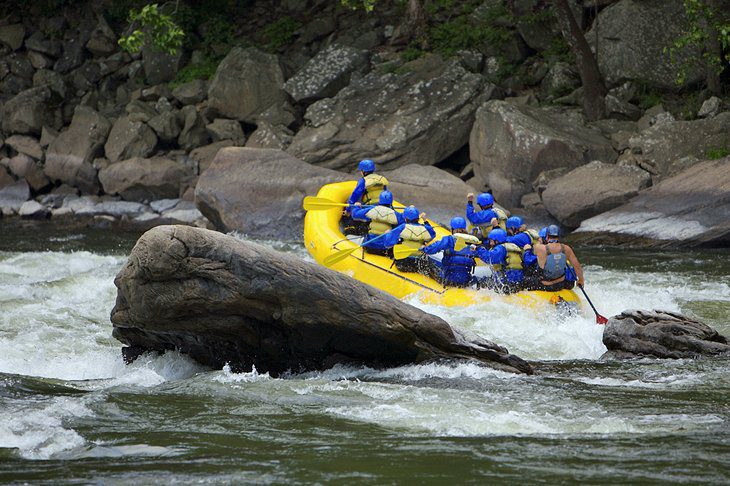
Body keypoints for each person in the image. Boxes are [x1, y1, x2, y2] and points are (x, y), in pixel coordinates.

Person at [420, 217, 479, 287]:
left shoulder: (449, 240)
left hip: (449, 280)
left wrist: (424, 249)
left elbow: (434, 248)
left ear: (453, 229)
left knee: (431, 263)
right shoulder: (472, 242)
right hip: (465, 280)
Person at [526, 224, 585, 291]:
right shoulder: (566, 249)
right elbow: (577, 266)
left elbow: (529, 258)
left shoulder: (539, 248)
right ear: (558, 236)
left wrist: (527, 249)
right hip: (560, 284)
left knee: (525, 279)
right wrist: (581, 280)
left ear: (547, 236)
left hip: (544, 285)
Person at [379, 206, 436, 272]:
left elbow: (387, 244)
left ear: (405, 219)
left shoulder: (402, 227)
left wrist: (387, 234)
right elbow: (433, 234)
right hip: (418, 264)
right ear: (418, 218)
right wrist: (425, 221)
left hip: (402, 263)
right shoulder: (425, 229)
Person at [349, 190, 404, 255]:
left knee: (350, 235)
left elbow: (355, 214)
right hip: (384, 249)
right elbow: (405, 225)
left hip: (369, 245)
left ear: (380, 199)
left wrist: (357, 206)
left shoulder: (372, 209)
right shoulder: (397, 216)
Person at [476, 228, 525, 293]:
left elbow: (489, 258)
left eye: (491, 241)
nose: (490, 243)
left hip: (506, 282)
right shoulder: (512, 246)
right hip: (517, 282)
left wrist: (478, 249)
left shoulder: (501, 248)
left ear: (497, 241)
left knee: (480, 282)